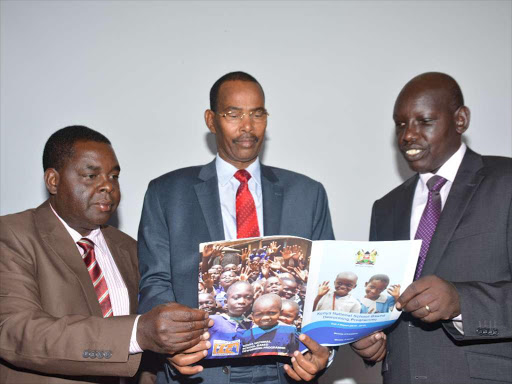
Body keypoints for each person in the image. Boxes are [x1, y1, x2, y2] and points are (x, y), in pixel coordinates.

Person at [138, 71, 335, 383]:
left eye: (257, 114)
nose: (248, 126)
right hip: (200, 370)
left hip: (284, 371)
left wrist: (325, 351)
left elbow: (325, 288)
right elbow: (155, 283)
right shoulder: (167, 193)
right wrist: (170, 345)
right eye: (234, 114)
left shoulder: (307, 193)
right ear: (211, 120)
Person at [0, 126, 211, 384]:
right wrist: (138, 333)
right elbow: (16, 331)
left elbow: (142, 349)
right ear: (53, 181)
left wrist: (169, 349)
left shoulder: (128, 248)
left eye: (114, 176)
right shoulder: (12, 235)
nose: (107, 187)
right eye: (91, 175)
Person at [355, 72, 512, 383]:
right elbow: (383, 309)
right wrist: (370, 340)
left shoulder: (505, 181)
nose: (408, 135)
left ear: (460, 120)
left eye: (423, 121)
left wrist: (461, 302)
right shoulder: (385, 208)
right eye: (400, 124)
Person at [208, 281, 254, 359]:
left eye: (248, 298)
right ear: (226, 301)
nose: (242, 302)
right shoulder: (212, 321)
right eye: (236, 297)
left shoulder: (251, 326)